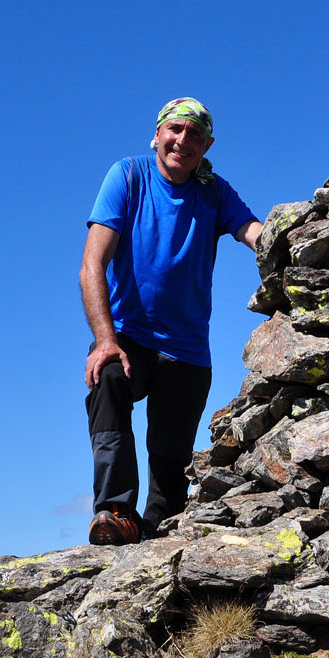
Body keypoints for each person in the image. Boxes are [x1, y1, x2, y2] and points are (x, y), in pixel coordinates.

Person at [80, 98, 263, 545]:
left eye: (194, 134)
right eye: (175, 129)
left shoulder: (214, 190)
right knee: (108, 378)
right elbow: (92, 264)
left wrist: (297, 238)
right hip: (129, 335)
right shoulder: (128, 175)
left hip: (187, 351)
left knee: (169, 467)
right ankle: (116, 511)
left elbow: (254, 232)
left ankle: (156, 538)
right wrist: (105, 340)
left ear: (207, 145)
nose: (183, 140)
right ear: (158, 134)